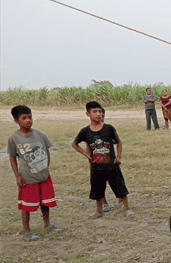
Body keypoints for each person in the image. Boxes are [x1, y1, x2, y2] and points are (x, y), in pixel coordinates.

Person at [7, 105, 61, 241]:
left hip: (43, 176)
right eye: (24, 118)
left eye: (30, 117)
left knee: (45, 202)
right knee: (27, 205)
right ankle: (27, 230)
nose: (28, 120)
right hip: (27, 178)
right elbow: (12, 157)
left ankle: (47, 224)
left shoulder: (40, 135)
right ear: (16, 121)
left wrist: (45, 167)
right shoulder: (14, 138)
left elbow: (47, 151)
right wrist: (17, 176)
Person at [72, 101, 134, 217]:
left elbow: (119, 142)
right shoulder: (85, 131)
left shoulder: (109, 128)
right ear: (88, 114)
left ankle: (127, 208)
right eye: (94, 112)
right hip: (96, 166)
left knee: (120, 187)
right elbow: (74, 144)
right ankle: (99, 211)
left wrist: (118, 156)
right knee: (97, 189)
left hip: (111, 165)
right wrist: (86, 154)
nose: (98, 114)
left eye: (100, 111)